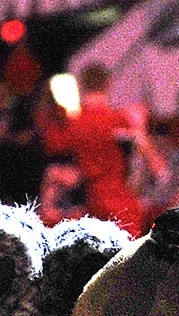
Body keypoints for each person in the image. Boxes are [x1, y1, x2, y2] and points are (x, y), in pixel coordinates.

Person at [36, 63, 167, 237]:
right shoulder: (119, 119)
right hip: (122, 202)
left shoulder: (74, 123)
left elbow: (52, 146)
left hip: (93, 204)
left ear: (81, 85)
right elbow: (158, 168)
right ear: (108, 84)